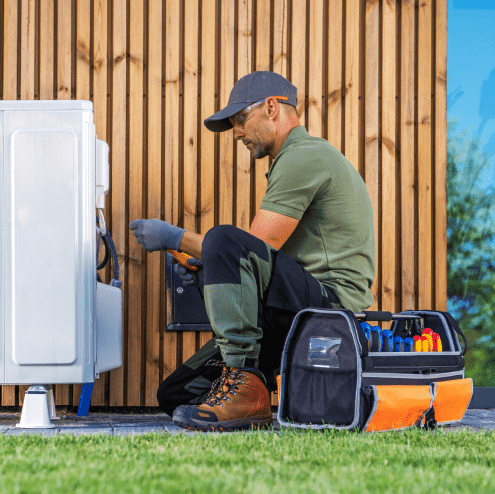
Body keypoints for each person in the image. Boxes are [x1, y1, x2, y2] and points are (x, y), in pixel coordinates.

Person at [129, 71, 375, 431]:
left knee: (224, 239)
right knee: (177, 394)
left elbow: (253, 248)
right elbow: (257, 265)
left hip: (330, 310)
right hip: (294, 307)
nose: (237, 132)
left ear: (271, 108)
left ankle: (244, 382)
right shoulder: (294, 159)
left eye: (241, 119)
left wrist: (174, 237)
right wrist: (206, 269)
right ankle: (246, 388)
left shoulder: (304, 157)